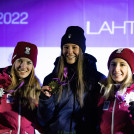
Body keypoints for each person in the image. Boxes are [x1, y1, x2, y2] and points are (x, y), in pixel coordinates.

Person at [37, 26, 106, 134]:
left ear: (82, 50)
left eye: (74, 47)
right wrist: (45, 100)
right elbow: (43, 120)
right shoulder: (51, 79)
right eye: (66, 47)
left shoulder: (97, 79)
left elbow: (102, 117)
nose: (69, 51)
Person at [0, 41, 42, 134]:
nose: (23, 67)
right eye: (20, 61)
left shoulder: (36, 87)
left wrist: (45, 103)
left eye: (29, 62)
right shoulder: (1, 81)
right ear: (14, 61)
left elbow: (41, 125)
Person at [98, 48, 134, 134]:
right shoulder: (102, 91)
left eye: (122, 64)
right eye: (113, 64)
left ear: (130, 69)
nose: (116, 69)